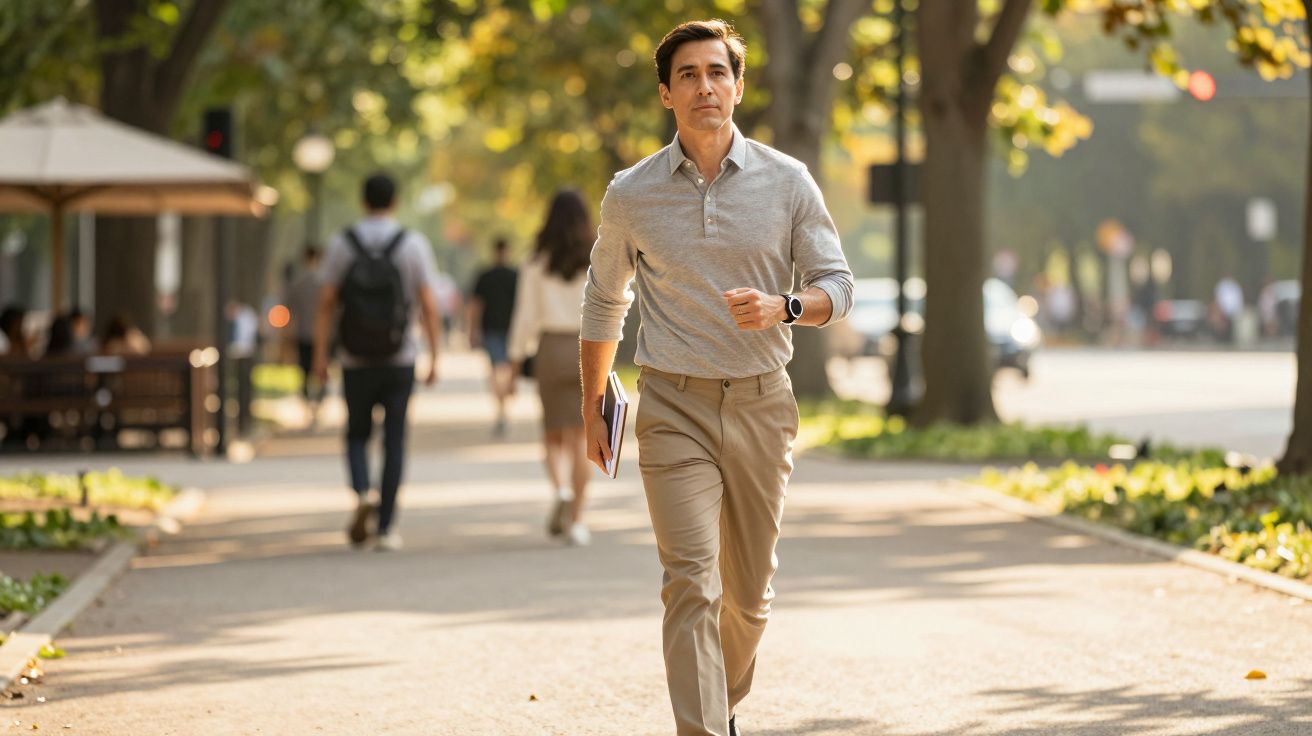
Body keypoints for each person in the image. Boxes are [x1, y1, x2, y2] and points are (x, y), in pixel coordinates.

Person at [579, 20, 852, 736]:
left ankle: (719, 700)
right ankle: (701, 727)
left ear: (738, 86)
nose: (705, 86)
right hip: (673, 406)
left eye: (717, 72)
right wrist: (593, 403)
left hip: (763, 404)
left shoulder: (787, 181)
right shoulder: (631, 193)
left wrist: (784, 306)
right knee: (690, 582)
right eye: (689, 75)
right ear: (666, 94)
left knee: (748, 599)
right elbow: (604, 301)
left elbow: (838, 284)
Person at [313, 172, 442, 552]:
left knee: (356, 433)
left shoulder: (342, 243)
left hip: (354, 358)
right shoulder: (412, 244)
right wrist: (435, 355)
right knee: (394, 440)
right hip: (400, 357)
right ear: (395, 202)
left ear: (363, 200)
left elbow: (326, 303)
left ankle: (361, 492)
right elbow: (429, 304)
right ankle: (385, 528)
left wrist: (320, 355)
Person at [508, 193, 593, 545]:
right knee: (582, 437)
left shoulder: (536, 261)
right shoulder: (596, 258)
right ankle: (578, 521)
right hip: (588, 348)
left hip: (550, 349)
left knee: (553, 434)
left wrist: (514, 361)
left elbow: (525, 316)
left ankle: (560, 490)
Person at [467, 237, 519, 437]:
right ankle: (503, 404)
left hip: (493, 330)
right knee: (505, 369)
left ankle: (501, 407)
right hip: (509, 330)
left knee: (496, 370)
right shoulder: (516, 276)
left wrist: (472, 332)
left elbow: (475, 306)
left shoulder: (485, 276)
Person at [284, 246, 326, 419]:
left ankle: (309, 401)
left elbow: (288, 309)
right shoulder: (326, 281)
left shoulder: (298, 282)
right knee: (322, 369)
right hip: (323, 334)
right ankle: (319, 401)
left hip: (303, 332)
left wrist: (287, 333)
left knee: (305, 369)